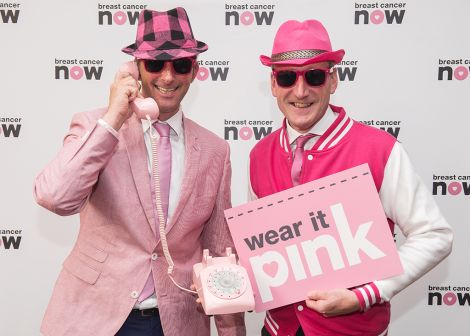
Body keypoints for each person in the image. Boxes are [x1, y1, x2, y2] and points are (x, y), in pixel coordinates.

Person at [34, 7, 245, 336]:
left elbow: (220, 251)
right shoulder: (95, 127)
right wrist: (115, 116)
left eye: (180, 64)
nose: (167, 76)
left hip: (177, 321)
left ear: (195, 70)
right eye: (155, 64)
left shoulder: (216, 150)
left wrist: (232, 332)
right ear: (135, 69)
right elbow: (54, 196)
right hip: (95, 319)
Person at [248, 19, 453, 336]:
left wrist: (364, 294)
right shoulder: (259, 155)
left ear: (333, 80)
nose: (300, 91)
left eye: (314, 76)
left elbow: (435, 235)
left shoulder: (380, 150)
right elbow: (262, 250)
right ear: (273, 84)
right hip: (278, 330)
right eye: (288, 77)